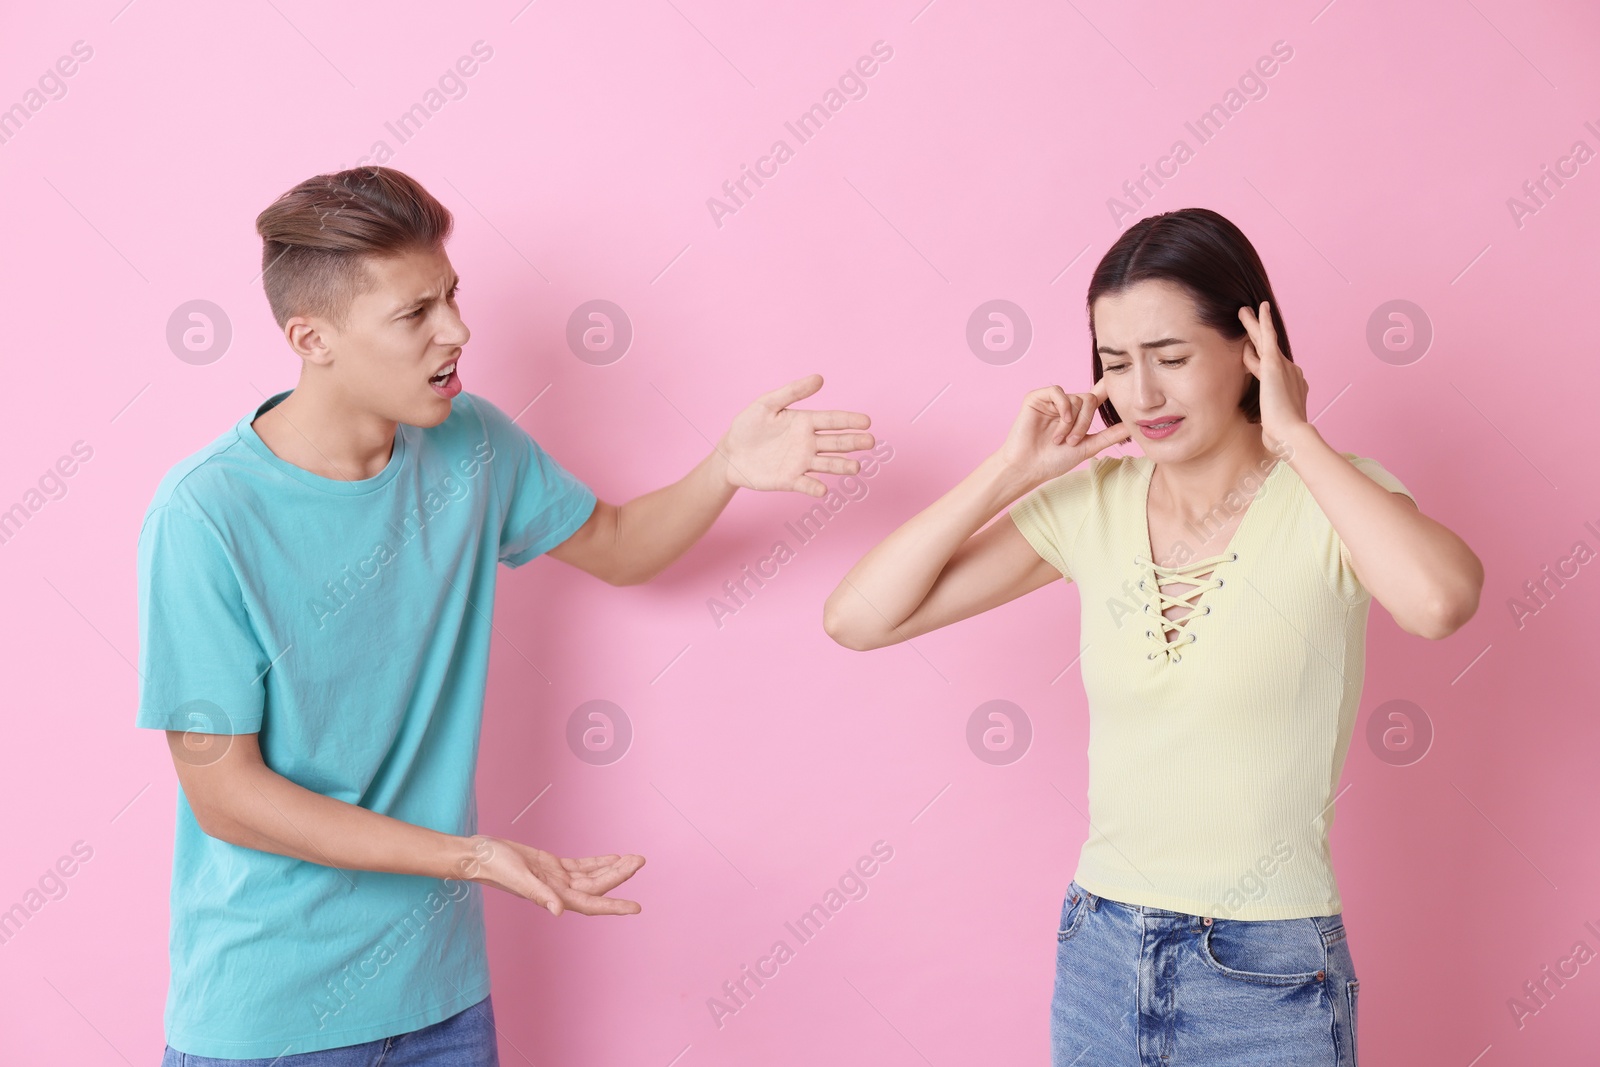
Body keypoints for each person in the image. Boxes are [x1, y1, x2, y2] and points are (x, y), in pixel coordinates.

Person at [135, 165, 876, 1064]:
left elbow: (616, 542)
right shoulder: (207, 515)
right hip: (270, 1020)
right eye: (415, 314)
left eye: (450, 295)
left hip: (442, 1008)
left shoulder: (471, 443)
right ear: (312, 337)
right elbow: (227, 796)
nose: (457, 329)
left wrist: (725, 466)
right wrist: (476, 858)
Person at [823, 207, 1482, 1065]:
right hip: (1100, 950)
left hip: (1268, 973)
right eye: (1114, 364)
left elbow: (1439, 602)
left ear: (1253, 349)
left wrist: (1295, 436)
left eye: (1171, 358)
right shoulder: (1090, 507)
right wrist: (1009, 473)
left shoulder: (1333, 497)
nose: (1142, 394)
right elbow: (859, 617)